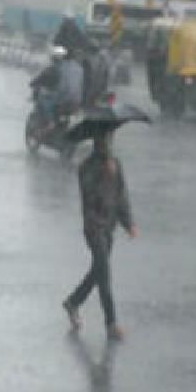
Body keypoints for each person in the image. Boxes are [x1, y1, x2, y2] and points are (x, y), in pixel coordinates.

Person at [64, 131, 136, 341]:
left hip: (109, 227)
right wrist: (104, 172)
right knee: (104, 274)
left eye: (109, 140)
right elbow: (90, 195)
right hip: (94, 227)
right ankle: (111, 324)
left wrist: (128, 223)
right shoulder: (87, 167)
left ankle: (73, 302)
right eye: (103, 141)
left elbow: (121, 197)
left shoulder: (116, 165)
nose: (106, 145)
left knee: (98, 271)